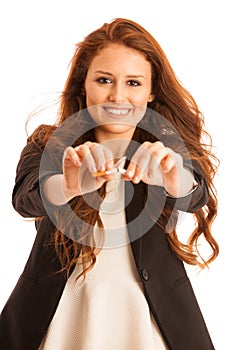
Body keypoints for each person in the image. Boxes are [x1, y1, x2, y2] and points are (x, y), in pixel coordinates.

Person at [0, 18, 219, 350]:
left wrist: (175, 179)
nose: (118, 96)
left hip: (147, 320)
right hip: (62, 316)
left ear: (151, 91)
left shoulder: (164, 152)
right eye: (104, 80)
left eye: (133, 82)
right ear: (83, 84)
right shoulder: (49, 144)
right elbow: (26, 199)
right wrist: (71, 186)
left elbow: (196, 193)